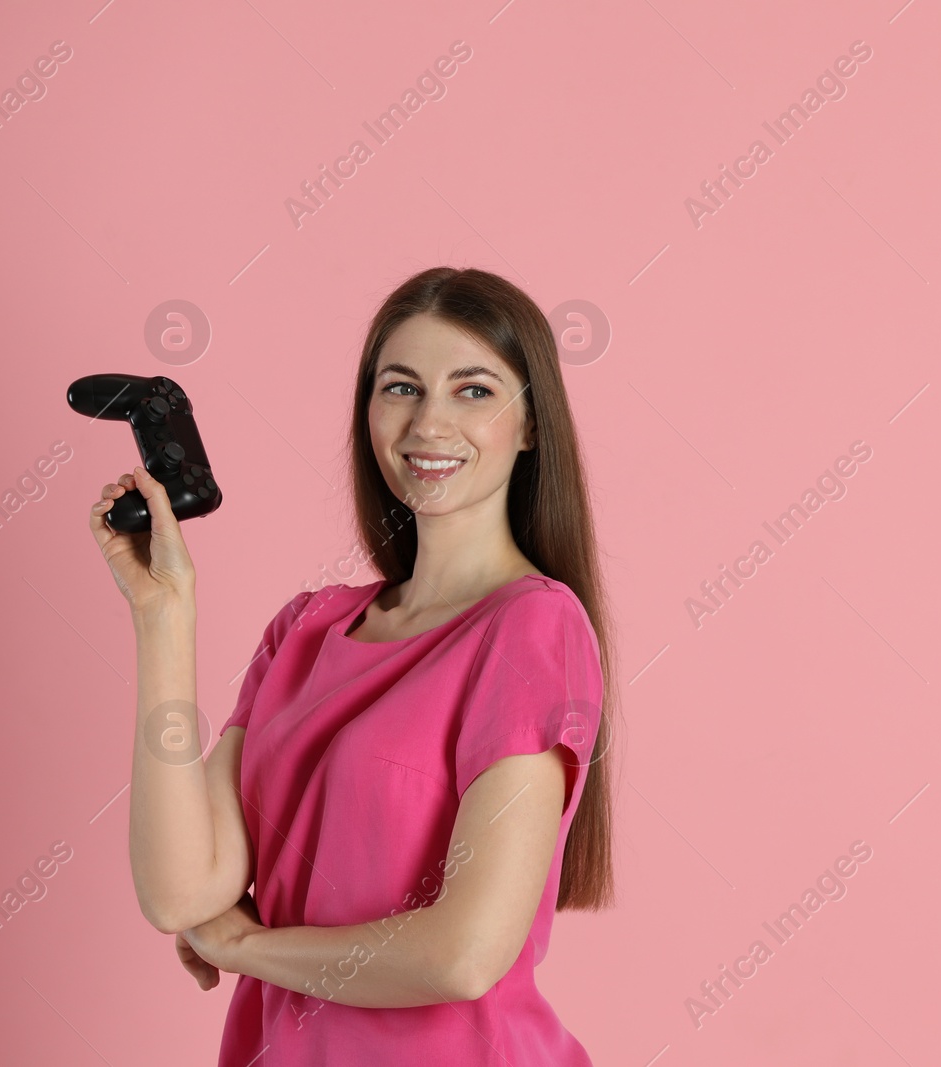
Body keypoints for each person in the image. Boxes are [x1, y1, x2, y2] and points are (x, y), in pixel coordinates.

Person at [88, 267, 619, 1065]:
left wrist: (249, 947)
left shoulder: (532, 627)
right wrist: (164, 616)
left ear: (532, 425)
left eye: (474, 391)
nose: (428, 422)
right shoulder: (308, 628)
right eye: (400, 387)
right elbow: (180, 889)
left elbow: (462, 954)